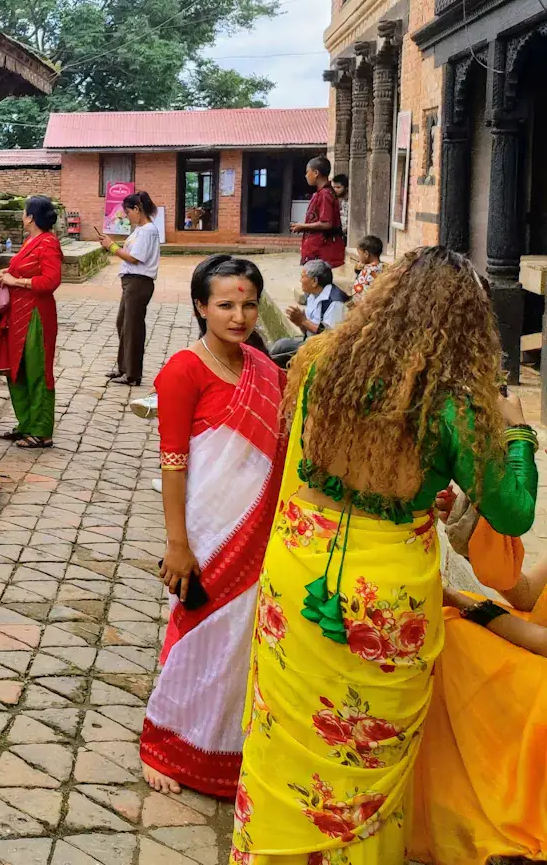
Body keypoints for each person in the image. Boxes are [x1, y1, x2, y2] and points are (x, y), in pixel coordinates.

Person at [229, 245, 538, 863]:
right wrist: (517, 431)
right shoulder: (452, 404)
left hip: (301, 564)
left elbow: (304, 461)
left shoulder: (319, 361)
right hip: (386, 591)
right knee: (363, 746)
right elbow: (512, 512)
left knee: (289, 726)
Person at [141, 256, 283, 798]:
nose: (238, 316)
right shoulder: (184, 370)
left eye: (248, 305)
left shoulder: (265, 369)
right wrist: (177, 544)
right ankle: (168, 743)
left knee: (246, 638)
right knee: (198, 633)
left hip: (262, 527)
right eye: (225, 305)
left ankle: (234, 744)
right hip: (208, 530)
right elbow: (173, 462)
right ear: (201, 307)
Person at [409, 538, 547, 864]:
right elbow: (528, 594)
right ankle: (450, 806)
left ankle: (510, 829)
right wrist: (479, 546)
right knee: (448, 627)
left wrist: (468, 605)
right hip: (533, 635)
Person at [0, 197, 63, 448]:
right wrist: (7, 273)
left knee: (37, 369)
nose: (22, 216)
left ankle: (41, 431)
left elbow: (50, 281)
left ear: (31, 217)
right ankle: (26, 423)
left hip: (36, 314)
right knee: (17, 369)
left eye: (24, 212)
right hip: (18, 313)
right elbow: (24, 269)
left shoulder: (48, 243)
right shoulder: (31, 241)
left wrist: (16, 281)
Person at [94, 191, 162, 387]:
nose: (127, 216)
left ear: (137, 209)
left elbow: (134, 258)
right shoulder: (140, 230)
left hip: (139, 282)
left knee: (133, 327)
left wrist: (112, 247)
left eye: (128, 211)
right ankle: (124, 367)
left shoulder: (148, 230)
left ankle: (132, 374)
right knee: (123, 324)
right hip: (131, 282)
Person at [268, 259, 348, 367]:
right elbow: (308, 330)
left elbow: (330, 336)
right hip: (310, 342)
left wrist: (303, 321)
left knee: (279, 352)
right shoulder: (312, 295)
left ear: (314, 281)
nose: (300, 280)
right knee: (279, 346)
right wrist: (300, 323)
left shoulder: (334, 302)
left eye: (303, 277)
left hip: (323, 352)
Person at [292, 155, 346, 268]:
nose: (306, 176)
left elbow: (327, 223)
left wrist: (303, 226)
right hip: (318, 248)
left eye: (308, 172)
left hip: (323, 249)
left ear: (316, 173)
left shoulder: (325, 194)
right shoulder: (321, 193)